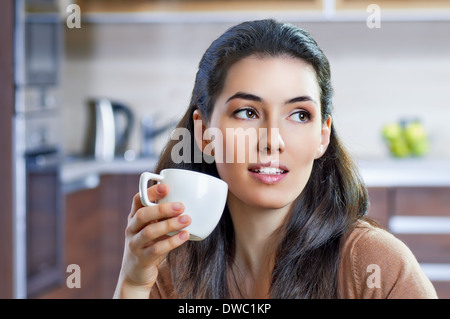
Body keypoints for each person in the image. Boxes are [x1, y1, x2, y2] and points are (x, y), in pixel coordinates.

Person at [114, 19, 437, 299]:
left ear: (322, 136)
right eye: (248, 112)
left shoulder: (374, 263)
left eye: (299, 114)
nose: (272, 140)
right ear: (204, 134)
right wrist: (133, 282)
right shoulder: (172, 264)